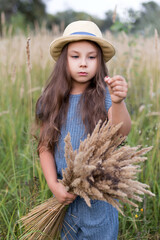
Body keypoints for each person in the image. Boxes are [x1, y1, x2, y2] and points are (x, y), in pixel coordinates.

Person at [36, 20, 131, 240]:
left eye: (91, 57)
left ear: (100, 61)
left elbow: (121, 133)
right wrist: (53, 185)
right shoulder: (51, 100)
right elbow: (45, 146)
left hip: (99, 198)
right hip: (66, 197)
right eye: (75, 56)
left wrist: (118, 102)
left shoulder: (105, 96)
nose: (83, 63)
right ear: (63, 60)